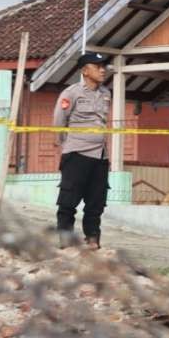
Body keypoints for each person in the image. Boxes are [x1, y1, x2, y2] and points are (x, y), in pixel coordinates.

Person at [54, 51, 113, 249]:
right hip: (77, 154)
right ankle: (66, 240)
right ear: (85, 71)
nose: (103, 70)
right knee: (68, 201)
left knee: (96, 202)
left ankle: (93, 240)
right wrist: (66, 146)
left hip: (100, 155)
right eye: (98, 67)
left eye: (104, 66)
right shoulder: (71, 93)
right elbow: (59, 122)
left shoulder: (106, 94)